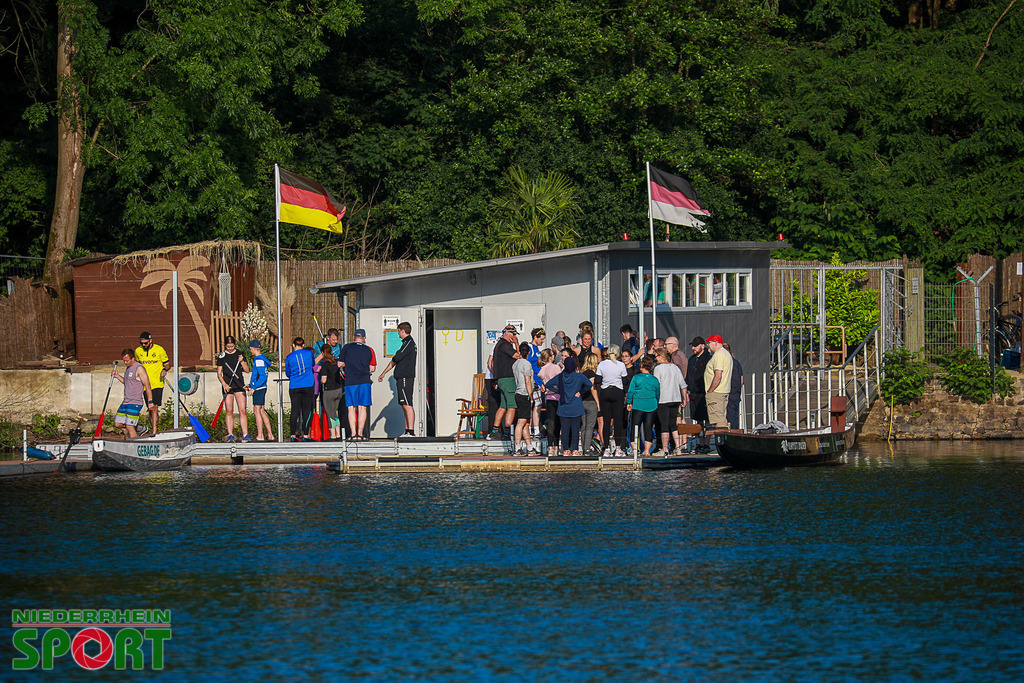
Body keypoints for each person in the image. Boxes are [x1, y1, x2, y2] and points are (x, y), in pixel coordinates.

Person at [544, 356, 594, 456]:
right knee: (575, 430)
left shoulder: (560, 377)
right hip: (576, 406)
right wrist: (581, 392)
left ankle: (566, 449)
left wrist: (559, 391)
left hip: (563, 406)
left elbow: (548, 384)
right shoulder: (579, 376)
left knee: (565, 430)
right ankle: (575, 449)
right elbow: (589, 384)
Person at [377, 321, 417, 436]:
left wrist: (384, 372)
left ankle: (411, 431)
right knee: (404, 404)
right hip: (401, 378)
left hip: (405, 377)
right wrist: (384, 373)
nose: (398, 334)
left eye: (399, 331)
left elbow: (396, 358)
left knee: (407, 404)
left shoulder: (409, 343)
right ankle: (407, 430)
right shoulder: (406, 343)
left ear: (403, 331)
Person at [339, 329, 376, 440]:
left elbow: (339, 364)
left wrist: (349, 364)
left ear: (354, 337)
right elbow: (372, 368)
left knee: (351, 408)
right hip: (364, 381)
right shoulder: (369, 349)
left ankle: (353, 434)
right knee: (362, 407)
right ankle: (360, 434)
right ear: (364, 338)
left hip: (350, 381)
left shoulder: (346, 348)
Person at [112, 348, 154, 439]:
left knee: (129, 426)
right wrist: (117, 376)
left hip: (135, 402)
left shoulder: (139, 368)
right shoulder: (128, 368)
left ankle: (134, 443)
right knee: (117, 424)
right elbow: (127, 382)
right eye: (124, 361)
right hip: (126, 401)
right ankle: (140, 428)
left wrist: (150, 401)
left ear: (133, 358)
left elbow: (147, 385)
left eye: (127, 361)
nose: (125, 363)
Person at [135, 331, 170, 436]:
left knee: (154, 407)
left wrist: (164, 370)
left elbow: (167, 364)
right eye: (142, 343)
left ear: (151, 340)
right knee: (150, 409)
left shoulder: (159, 349)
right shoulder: (138, 351)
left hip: (157, 384)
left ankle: (154, 432)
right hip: (145, 385)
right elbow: (136, 365)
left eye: (145, 343)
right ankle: (153, 429)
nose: (144, 345)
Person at [488, 325, 520, 440]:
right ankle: (507, 432)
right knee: (512, 406)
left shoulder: (498, 345)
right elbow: (518, 356)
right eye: (513, 334)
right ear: (506, 333)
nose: (514, 336)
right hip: (508, 378)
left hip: (501, 379)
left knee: (503, 405)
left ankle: (495, 430)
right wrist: (517, 344)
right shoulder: (505, 345)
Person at [216, 335, 250, 442]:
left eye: (232, 346)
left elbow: (247, 370)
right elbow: (219, 373)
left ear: (235, 345)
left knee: (242, 410)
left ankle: (245, 434)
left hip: (239, 385)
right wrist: (224, 384)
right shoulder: (222, 356)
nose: (230, 348)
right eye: (228, 347)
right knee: (229, 410)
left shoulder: (240, 354)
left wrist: (242, 361)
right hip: (228, 386)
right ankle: (230, 434)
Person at [654, 349, 688, 455]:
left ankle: (665, 449)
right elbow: (683, 385)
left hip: (663, 399)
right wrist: (684, 398)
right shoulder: (675, 367)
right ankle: (677, 447)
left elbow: (656, 384)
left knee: (664, 425)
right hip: (675, 399)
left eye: (657, 356)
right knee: (673, 424)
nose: (655, 358)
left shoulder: (658, 368)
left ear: (661, 356)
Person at [597, 345, 628, 456]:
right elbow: (625, 381)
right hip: (617, 392)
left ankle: (606, 448)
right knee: (617, 421)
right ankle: (618, 448)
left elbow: (597, 380)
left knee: (606, 422)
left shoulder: (602, 364)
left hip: (605, 392)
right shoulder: (621, 365)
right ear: (617, 353)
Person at [626, 356, 660, 456]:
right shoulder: (654, 379)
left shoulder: (636, 378)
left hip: (638, 405)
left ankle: (634, 450)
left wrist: (629, 402)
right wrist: (656, 402)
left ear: (641, 366)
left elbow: (631, 391)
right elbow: (657, 393)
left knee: (634, 427)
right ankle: (647, 450)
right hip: (651, 405)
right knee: (648, 428)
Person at [285, 337, 315, 441]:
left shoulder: (289, 357)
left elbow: (288, 373)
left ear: (293, 345)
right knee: (307, 410)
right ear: (303, 345)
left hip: (294, 385)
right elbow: (312, 364)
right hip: (308, 384)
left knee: (295, 410)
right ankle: (305, 435)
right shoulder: (309, 353)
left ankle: (293, 435)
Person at [245, 340, 275, 442]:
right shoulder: (261, 359)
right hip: (260, 387)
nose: (250, 351)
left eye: (250, 349)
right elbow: (258, 376)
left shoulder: (258, 360)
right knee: (261, 410)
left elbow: (262, 376)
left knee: (257, 410)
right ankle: (270, 434)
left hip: (259, 388)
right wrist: (250, 385)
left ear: (254, 349)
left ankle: (260, 435)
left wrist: (254, 388)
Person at [512, 341, 538, 454]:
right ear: (528, 353)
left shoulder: (515, 364)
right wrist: (531, 395)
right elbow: (527, 381)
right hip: (524, 394)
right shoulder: (526, 364)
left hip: (518, 393)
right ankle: (517, 447)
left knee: (526, 423)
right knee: (521, 422)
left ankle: (529, 447)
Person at [686, 336, 711, 450]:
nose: (693, 348)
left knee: (708, 420)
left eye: (696, 346)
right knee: (698, 420)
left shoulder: (708, 359)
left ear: (702, 346)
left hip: (704, 393)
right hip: (694, 393)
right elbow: (688, 375)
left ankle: (707, 443)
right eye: (692, 346)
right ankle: (700, 443)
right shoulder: (691, 359)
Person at [704, 334, 734, 429]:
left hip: (717, 392)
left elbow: (718, 376)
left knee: (719, 421)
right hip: (724, 390)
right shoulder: (726, 354)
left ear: (716, 343)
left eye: (709, 343)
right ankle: (723, 436)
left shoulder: (719, 355)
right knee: (722, 418)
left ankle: (721, 437)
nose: (708, 345)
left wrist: (710, 391)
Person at [537, 348, 562, 456]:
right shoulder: (555, 367)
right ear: (551, 357)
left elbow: (540, 377)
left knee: (551, 422)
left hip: (548, 397)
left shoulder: (542, 369)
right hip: (558, 396)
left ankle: (550, 446)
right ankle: (556, 446)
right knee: (558, 422)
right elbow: (561, 379)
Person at [319, 346, 344, 440]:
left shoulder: (325, 364)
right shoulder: (336, 362)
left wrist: (320, 380)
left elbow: (324, 379)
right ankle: (338, 434)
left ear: (322, 353)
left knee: (330, 414)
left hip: (329, 390)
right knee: (335, 413)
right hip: (338, 389)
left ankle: (333, 435)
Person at [579, 353, 602, 454]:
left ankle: (584, 447)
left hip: (582, 401)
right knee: (590, 426)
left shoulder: (582, 373)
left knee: (583, 426)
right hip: (590, 401)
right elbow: (592, 388)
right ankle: (587, 448)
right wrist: (597, 402)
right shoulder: (592, 373)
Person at [527, 328, 546, 437]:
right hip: (533, 381)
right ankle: (530, 429)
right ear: (535, 337)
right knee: (532, 405)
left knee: (537, 405)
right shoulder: (530, 348)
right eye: (541, 339)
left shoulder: (537, 349)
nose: (542, 341)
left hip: (538, 381)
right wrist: (532, 380)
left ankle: (536, 429)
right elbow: (528, 365)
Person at [723, 342, 744, 430]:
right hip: (736, 392)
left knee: (729, 416)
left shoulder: (725, 362)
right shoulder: (737, 362)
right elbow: (741, 380)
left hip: (728, 391)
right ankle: (735, 431)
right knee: (735, 415)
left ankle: (731, 432)